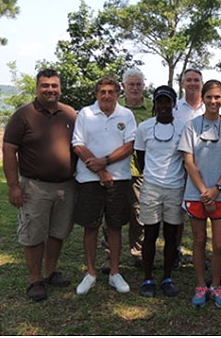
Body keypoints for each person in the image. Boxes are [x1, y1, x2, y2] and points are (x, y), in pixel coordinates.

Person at [2, 69, 77, 302]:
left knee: (58, 232)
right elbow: (8, 150)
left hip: (67, 185)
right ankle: (35, 280)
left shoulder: (70, 114)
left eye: (54, 85)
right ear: (37, 88)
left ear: (60, 88)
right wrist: (13, 186)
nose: (50, 90)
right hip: (35, 186)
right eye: (45, 85)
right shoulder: (23, 115)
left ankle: (50, 272)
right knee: (33, 234)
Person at [178, 80, 221, 309]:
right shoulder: (191, 126)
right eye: (209, 97)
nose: (213, 101)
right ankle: (200, 285)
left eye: (217, 97)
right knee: (198, 242)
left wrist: (216, 188)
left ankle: (216, 285)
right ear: (203, 98)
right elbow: (188, 161)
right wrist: (204, 191)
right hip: (196, 193)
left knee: (219, 244)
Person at [72, 77, 137, 295]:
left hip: (118, 179)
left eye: (111, 91)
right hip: (89, 180)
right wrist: (100, 170)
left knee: (115, 226)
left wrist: (106, 162)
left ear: (118, 93)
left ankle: (115, 273)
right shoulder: (85, 114)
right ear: (96, 94)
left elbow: (130, 145)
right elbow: (78, 145)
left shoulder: (126, 115)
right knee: (90, 226)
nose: (106, 95)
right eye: (102, 92)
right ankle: (90, 273)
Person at [134, 85, 186, 298]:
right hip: (151, 188)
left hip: (175, 188)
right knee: (150, 234)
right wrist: (154, 176)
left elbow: (186, 158)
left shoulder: (184, 128)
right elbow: (140, 157)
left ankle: (166, 277)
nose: (163, 106)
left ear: (174, 104)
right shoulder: (144, 128)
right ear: (155, 104)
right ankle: (148, 278)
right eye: (160, 102)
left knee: (172, 236)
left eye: (167, 101)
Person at [101, 68, 151, 273]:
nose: (135, 88)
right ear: (123, 87)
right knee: (111, 214)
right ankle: (109, 256)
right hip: (116, 170)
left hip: (141, 171)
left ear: (143, 87)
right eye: (131, 84)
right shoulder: (115, 110)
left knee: (139, 214)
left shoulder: (152, 109)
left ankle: (138, 253)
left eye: (139, 84)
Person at [172, 68, 205, 268]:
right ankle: (175, 250)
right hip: (179, 166)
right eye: (189, 80)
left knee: (203, 211)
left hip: (204, 168)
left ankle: (201, 252)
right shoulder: (175, 109)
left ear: (202, 83)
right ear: (183, 83)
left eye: (196, 80)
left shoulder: (211, 107)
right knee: (178, 212)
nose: (192, 83)